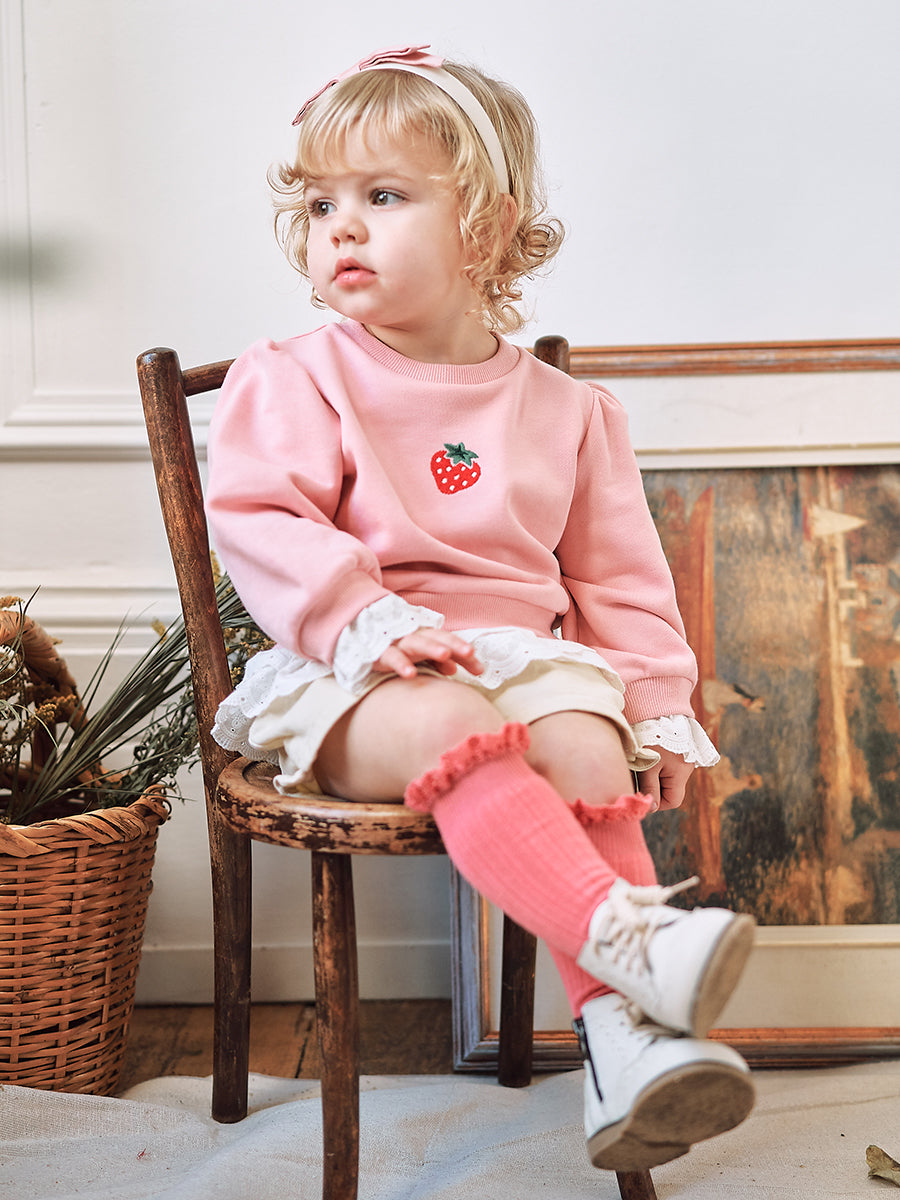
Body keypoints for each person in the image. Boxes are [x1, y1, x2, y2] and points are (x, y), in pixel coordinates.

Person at [205, 44, 756, 1172]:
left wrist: (655, 706)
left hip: (521, 661)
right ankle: (630, 950)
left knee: (584, 739)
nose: (340, 228)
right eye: (320, 204)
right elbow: (262, 519)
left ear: (487, 227)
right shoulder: (297, 376)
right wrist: (366, 618)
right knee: (455, 716)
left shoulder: (568, 410)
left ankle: (624, 1051)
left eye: (383, 196)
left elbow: (619, 581)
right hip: (357, 672)